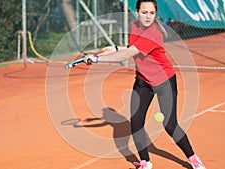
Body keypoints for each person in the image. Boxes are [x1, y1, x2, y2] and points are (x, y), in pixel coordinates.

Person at [84, 0, 206, 168]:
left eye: (151, 13)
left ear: (155, 14)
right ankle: (145, 162)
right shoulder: (135, 27)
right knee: (136, 122)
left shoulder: (153, 32)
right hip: (143, 81)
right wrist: (114, 48)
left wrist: (97, 59)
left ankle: (193, 159)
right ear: (137, 12)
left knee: (170, 125)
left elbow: (128, 54)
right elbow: (132, 47)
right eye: (144, 12)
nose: (148, 16)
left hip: (164, 81)